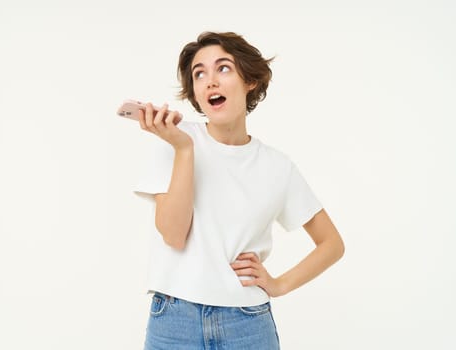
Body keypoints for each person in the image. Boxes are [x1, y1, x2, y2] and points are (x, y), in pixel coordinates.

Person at [133, 31, 345, 350]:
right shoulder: (175, 138)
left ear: (250, 81)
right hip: (175, 322)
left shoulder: (277, 166)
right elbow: (174, 235)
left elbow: (331, 244)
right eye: (199, 73)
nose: (210, 81)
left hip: (246, 324)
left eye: (223, 68)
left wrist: (279, 284)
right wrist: (184, 150)